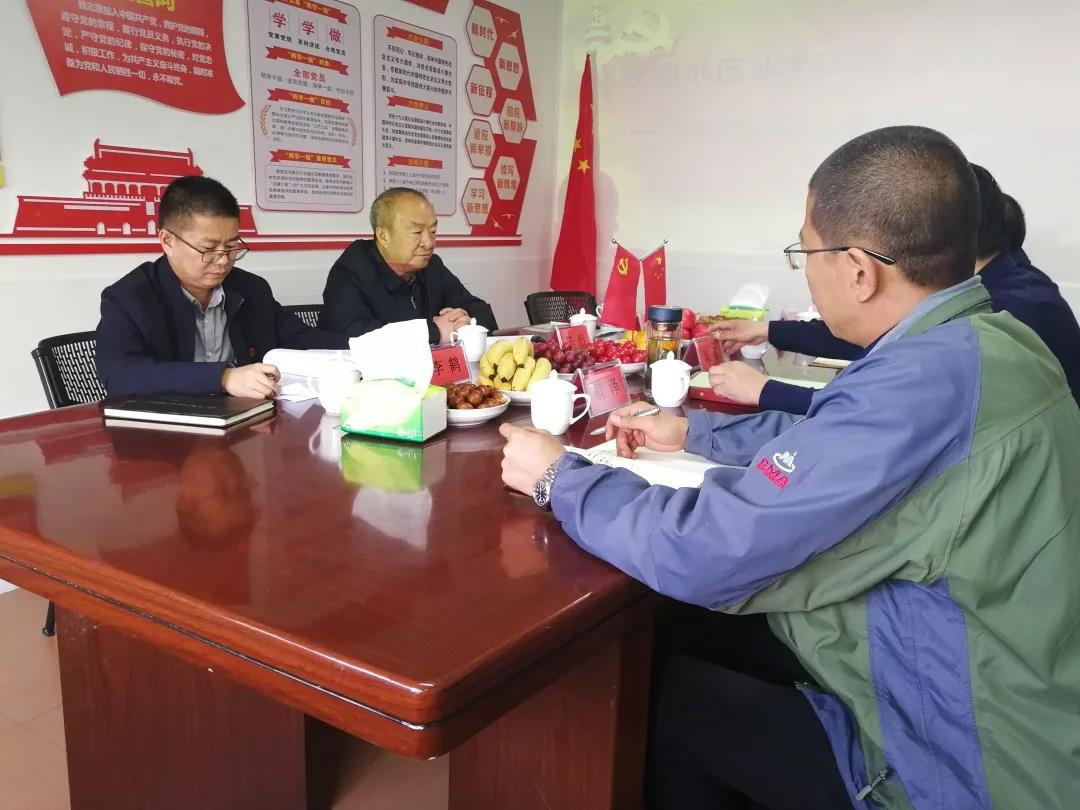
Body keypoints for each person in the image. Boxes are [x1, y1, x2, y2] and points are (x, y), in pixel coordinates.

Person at [499, 126, 1080, 808]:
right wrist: (694, 431)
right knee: (686, 632)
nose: (804, 267)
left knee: (635, 692)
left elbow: (707, 550)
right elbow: (837, 436)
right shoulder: (986, 340)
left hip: (959, 761)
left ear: (859, 270)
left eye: (805, 251)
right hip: (982, 671)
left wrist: (561, 477)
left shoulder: (920, 386)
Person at [709, 164, 1080, 411]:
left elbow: (882, 414)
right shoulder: (1007, 281)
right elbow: (878, 337)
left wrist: (766, 391)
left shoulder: (1001, 310)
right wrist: (768, 330)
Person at [96, 176, 347, 398]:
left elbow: (299, 337)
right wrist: (223, 378)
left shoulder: (251, 289)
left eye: (231, 247)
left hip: (246, 422)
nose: (223, 260)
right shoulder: (129, 298)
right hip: (167, 429)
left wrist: (361, 345)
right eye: (208, 249)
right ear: (167, 240)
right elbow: (120, 373)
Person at [319, 187, 497, 343]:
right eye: (417, 232)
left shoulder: (432, 267)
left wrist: (465, 323)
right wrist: (433, 332)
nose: (429, 243)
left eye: (433, 231)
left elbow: (482, 312)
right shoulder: (351, 271)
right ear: (383, 236)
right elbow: (350, 336)